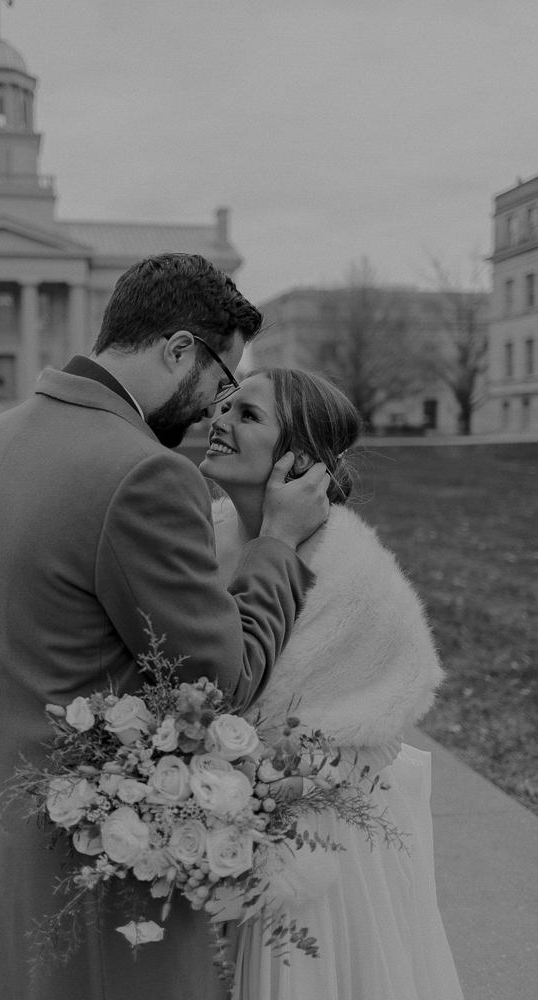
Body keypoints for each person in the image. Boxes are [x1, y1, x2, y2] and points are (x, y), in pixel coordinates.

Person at [0, 253, 331, 1000]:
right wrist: (279, 547)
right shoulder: (143, 473)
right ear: (179, 350)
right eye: (223, 383)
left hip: (10, 816)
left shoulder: (0, 436)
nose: (212, 410)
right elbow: (221, 682)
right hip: (109, 852)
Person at [200, 367, 464, 1000]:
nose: (221, 419)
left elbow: (336, 725)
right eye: (226, 404)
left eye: (248, 416)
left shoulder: (350, 577)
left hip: (316, 857)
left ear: (300, 459)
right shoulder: (208, 536)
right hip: (221, 834)